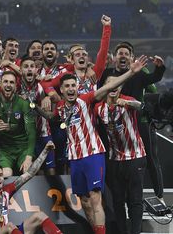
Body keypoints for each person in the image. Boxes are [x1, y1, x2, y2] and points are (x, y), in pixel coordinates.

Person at [36, 55, 147, 234]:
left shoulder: (86, 99)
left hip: (93, 154)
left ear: (77, 87)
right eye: (67, 86)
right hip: (75, 158)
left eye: (73, 85)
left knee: (95, 198)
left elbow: (109, 86)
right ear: (62, 91)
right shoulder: (61, 108)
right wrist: (36, 107)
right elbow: (51, 115)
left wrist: (130, 72)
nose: (71, 89)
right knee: (85, 202)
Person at [100, 42, 166, 203]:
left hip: (138, 122)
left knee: (151, 158)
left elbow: (154, 78)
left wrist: (159, 68)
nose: (123, 56)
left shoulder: (138, 74)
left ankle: (160, 196)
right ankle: (116, 198)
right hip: (113, 125)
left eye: (126, 53)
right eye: (120, 53)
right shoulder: (107, 74)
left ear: (131, 58)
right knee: (113, 159)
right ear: (115, 58)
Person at [0, 142, 62, 234]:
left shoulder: (7, 190)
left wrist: (45, 151)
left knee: (39, 216)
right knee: (9, 226)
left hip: (9, 231)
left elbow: (29, 173)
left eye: (0, 175)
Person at [95, 75, 147, 234]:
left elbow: (142, 106)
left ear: (121, 87)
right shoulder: (99, 108)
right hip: (114, 159)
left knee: (135, 200)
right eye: (109, 83)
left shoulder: (127, 101)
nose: (113, 86)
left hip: (135, 157)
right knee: (117, 201)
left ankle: (135, 232)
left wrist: (128, 103)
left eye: (116, 84)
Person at [0, 71, 36, 177]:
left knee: (27, 172)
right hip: (4, 150)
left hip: (22, 148)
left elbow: (31, 132)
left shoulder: (23, 103)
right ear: (0, 84)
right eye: (5, 82)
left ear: (16, 86)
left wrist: (29, 157)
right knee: (6, 174)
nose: (8, 85)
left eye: (12, 82)